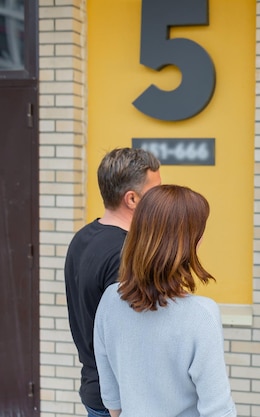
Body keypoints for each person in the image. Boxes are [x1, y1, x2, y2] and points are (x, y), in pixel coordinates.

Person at [93, 185, 237, 417]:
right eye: (198, 233)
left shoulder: (110, 300)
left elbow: (112, 399)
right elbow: (218, 410)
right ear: (185, 242)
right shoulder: (202, 314)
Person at [64, 148, 161, 417]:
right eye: (155, 192)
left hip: (94, 390)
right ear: (132, 199)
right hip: (119, 401)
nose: (160, 200)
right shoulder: (127, 253)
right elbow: (130, 340)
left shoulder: (82, 237)